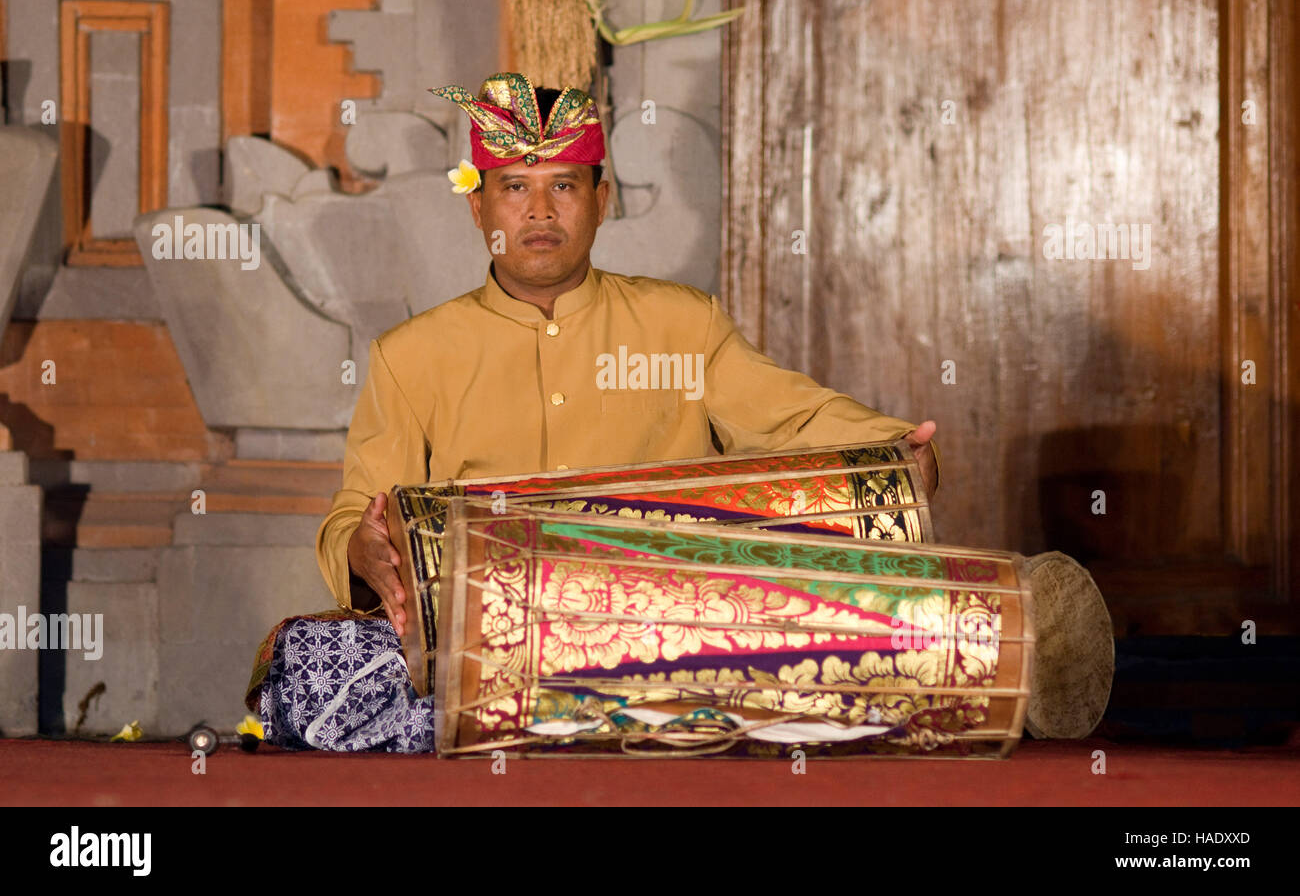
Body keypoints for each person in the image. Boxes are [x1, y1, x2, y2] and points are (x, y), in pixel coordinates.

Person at [251, 71, 940, 751]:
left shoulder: (682, 324)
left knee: (844, 629)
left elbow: (792, 419)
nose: (540, 212)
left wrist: (895, 450)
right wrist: (362, 547)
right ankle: (574, 711)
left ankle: (560, 713)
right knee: (317, 658)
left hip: (664, 625)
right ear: (479, 208)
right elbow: (356, 511)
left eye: (564, 185)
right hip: (486, 635)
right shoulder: (412, 354)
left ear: (601, 199)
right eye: (515, 186)